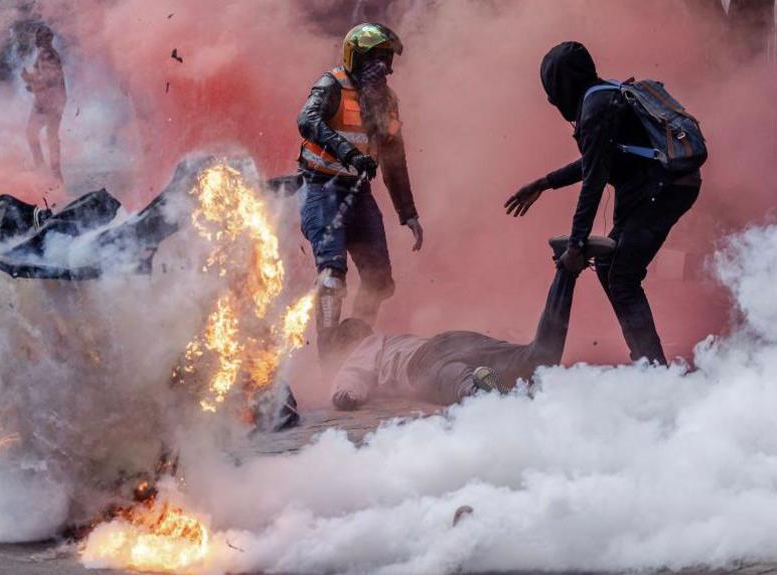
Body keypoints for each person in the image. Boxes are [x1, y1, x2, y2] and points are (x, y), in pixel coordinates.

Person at [503, 41, 703, 365]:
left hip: (661, 190)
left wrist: (577, 244)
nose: (553, 99)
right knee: (611, 266)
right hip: (654, 189)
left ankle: (652, 368)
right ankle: (647, 360)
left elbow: (594, 181)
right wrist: (544, 183)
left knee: (623, 276)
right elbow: (598, 161)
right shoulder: (602, 94)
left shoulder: (595, 108)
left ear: (563, 83)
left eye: (553, 87)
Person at [326, 236, 614, 410]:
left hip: (426, 361)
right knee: (537, 357)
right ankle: (567, 266)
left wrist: (345, 396)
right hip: (455, 341)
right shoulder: (391, 340)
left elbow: (353, 374)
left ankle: (478, 388)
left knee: (450, 380)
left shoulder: (365, 345)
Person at [296, 22, 423, 336]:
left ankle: (354, 341)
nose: (382, 69)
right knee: (332, 276)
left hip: (359, 195)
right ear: (356, 57)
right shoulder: (332, 85)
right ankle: (328, 353)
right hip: (321, 190)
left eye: (386, 60)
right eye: (375, 59)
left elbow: (394, 158)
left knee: (379, 280)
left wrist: (408, 213)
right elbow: (306, 120)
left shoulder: (387, 102)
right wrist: (349, 154)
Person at [21, 24, 66, 182]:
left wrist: (30, 78)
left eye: (45, 36)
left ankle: (53, 174)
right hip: (44, 102)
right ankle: (46, 171)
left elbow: (50, 79)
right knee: (35, 134)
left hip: (52, 103)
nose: (41, 39)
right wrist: (32, 86)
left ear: (49, 38)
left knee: (49, 137)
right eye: (40, 36)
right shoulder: (44, 54)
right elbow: (46, 79)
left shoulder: (48, 55)